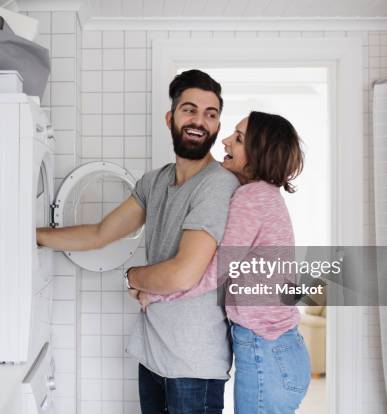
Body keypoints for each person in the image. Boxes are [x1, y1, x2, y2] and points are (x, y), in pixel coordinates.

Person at [37, 69, 240, 413]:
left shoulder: (218, 186)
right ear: (170, 117)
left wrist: (132, 276)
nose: (200, 121)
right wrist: (33, 237)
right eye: (189, 109)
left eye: (211, 114)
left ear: (218, 126)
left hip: (193, 365)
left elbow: (182, 274)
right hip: (153, 355)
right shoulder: (154, 181)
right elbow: (101, 233)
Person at [137, 111, 311, 414]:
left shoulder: (252, 197)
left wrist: (154, 292)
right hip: (278, 351)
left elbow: (214, 272)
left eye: (239, 139)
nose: (227, 141)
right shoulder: (264, 196)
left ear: (258, 155)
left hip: (266, 353)